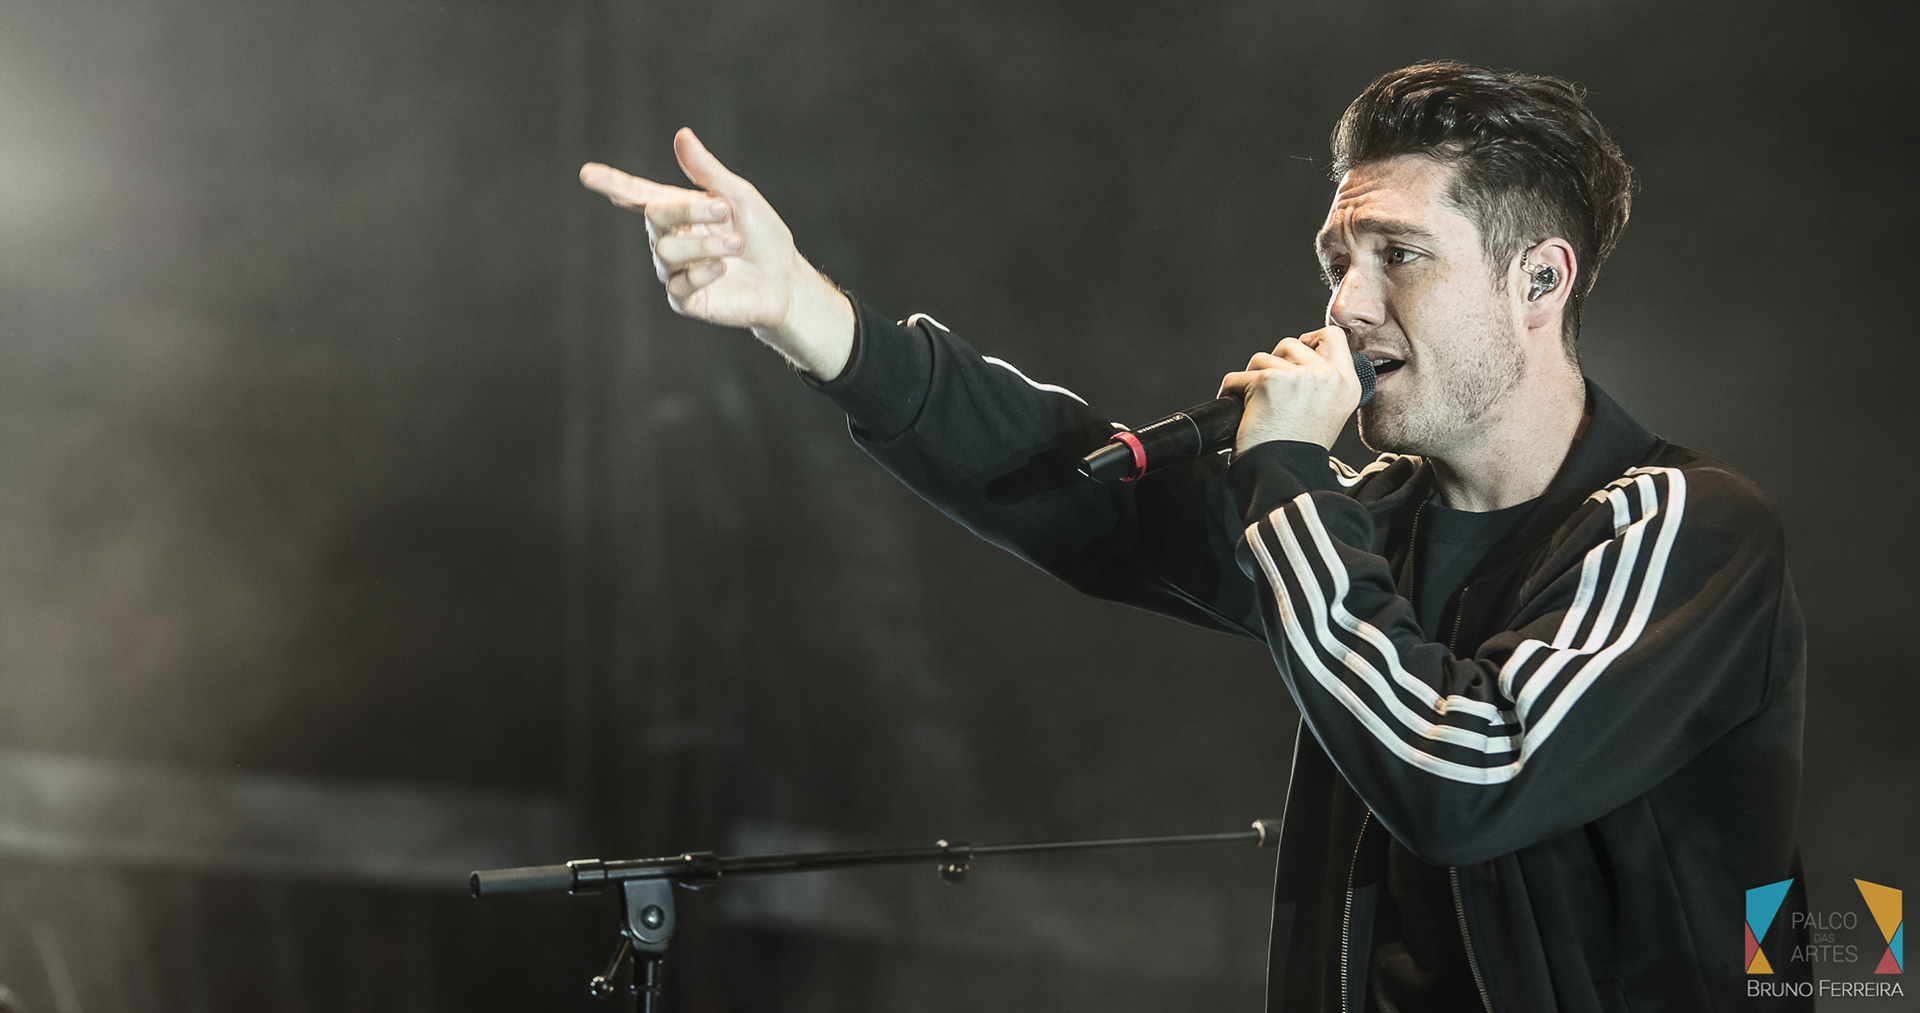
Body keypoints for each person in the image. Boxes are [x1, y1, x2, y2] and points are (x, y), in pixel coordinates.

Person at [580, 62, 1808, 1012]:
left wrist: (1287, 472)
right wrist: (810, 315)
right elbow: (1089, 492)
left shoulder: (1678, 522)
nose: (1346, 302)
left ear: (1540, 280)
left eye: (1398, 255)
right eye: (1337, 258)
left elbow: (1465, 775)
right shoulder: (1368, 521)